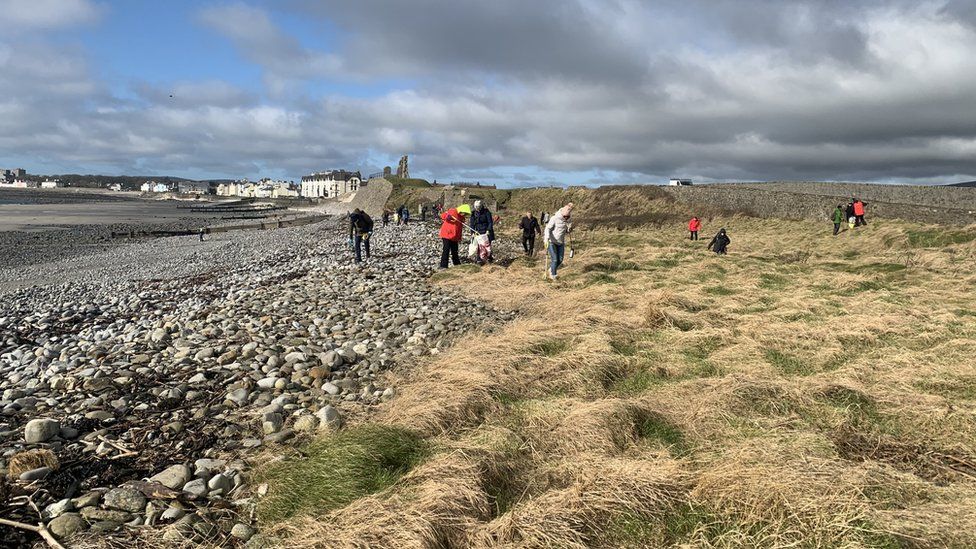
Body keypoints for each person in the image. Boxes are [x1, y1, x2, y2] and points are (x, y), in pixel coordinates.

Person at [544, 203, 574, 280]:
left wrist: (569, 229)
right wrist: (546, 238)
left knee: (560, 260)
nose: (566, 218)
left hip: (561, 242)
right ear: (562, 214)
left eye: (568, 216)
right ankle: (553, 275)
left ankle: (551, 269)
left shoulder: (569, 219)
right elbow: (548, 228)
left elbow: (566, 231)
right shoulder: (554, 218)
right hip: (551, 242)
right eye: (565, 216)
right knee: (555, 259)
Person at [470, 200, 495, 264]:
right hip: (478, 231)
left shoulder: (486, 212)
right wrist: (472, 232)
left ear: (481, 206)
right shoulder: (473, 213)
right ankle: (479, 259)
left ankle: (489, 258)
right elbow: (472, 224)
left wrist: (488, 230)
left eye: (478, 207)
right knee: (479, 245)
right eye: (476, 208)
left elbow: (490, 222)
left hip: (486, 231)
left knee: (487, 245)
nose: (477, 209)